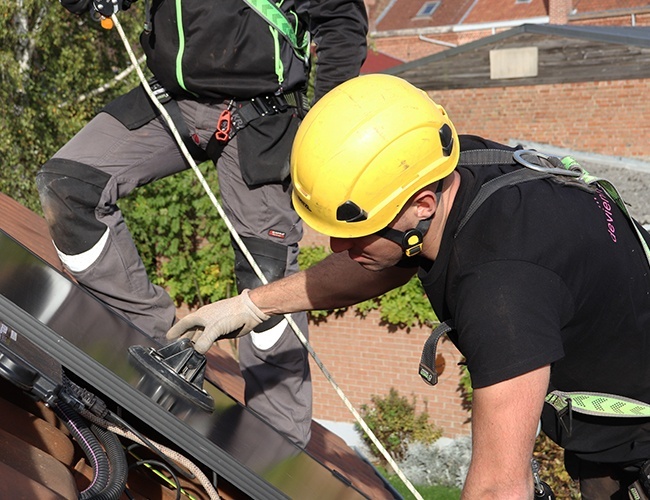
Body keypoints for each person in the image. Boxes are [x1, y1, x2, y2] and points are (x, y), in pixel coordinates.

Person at [168, 74, 650, 498]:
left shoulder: (503, 289)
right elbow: (387, 256)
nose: (336, 246)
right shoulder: (449, 170)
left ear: (421, 204)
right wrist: (251, 306)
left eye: (356, 232)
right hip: (607, 433)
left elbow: (501, 486)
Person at [36, 0, 368, 447]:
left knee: (266, 279)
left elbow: (342, 18)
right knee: (68, 185)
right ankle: (154, 339)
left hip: (264, 117)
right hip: (172, 99)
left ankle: (280, 446)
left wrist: (325, 121)